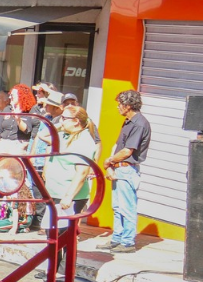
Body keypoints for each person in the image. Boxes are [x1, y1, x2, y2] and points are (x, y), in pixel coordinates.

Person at [99, 90, 151, 254]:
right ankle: (117, 238)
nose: (117, 107)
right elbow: (119, 145)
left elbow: (128, 151)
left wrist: (109, 161)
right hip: (119, 168)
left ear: (128, 105)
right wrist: (110, 165)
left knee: (127, 207)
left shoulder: (139, 124)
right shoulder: (128, 122)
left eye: (120, 104)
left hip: (127, 169)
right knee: (117, 207)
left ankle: (127, 242)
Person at [43, 105, 98, 231]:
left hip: (68, 196)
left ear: (76, 121)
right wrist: (59, 125)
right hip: (55, 192)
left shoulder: (83, 141)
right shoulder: (65, 135)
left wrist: (68, 196)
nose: (60, 121)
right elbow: (43, 135)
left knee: (61, 236)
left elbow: (82, 173)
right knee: (51, 233)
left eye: (64, 118)